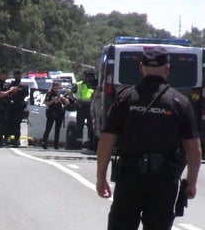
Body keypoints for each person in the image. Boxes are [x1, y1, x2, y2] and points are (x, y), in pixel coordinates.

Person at [96, 46, 202, 230]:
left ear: (141, 67)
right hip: (164, 181)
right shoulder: (179, 102)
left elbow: (106, 141)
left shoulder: (125, 98)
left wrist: (101, 177)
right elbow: (194, 150)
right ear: (167, 69)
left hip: (129, 178)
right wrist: (191, 182)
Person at [0, 69, 18, 147]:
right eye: (6, 75)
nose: (6, 77)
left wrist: (13, 91)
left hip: (7, 107)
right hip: (1, 107)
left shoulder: (5, 84)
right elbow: (0, 94)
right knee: (2, 125)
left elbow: (8, 94)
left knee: (7, 125)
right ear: (2, 74)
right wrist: (10, 91)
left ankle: (5, 140)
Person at [41, 81, 70, 149]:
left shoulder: (60, 94)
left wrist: (63, 98)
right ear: (53, 87)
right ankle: (44, 142)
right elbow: (46, 103)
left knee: (57, 129)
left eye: (58, 87)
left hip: (59, 113)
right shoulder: (49, 93)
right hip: (51, 112)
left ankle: (56, 144)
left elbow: (67, 103)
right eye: (55, 87)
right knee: (48, 128)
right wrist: (54, 100)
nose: (57, 88)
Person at [70, 70, 95, 144]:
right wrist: (75, 100)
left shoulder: (94, 84)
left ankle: (90, 141)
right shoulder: (79, 84)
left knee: (90, 125)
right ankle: (78, 142)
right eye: (88, 76)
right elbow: (69, 92)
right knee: (80, 124)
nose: (90, 78)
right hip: (81, 105)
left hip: (90, 105)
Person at [7, 70, 29, 147]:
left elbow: (26, 93)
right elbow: (8, 94)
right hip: (12, 107)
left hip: (19, 107)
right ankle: (9, 140)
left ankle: (16, 140)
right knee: (10, 124)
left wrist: (18, 90)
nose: (18, 76)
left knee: (17, 124)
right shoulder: (11, 85)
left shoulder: (23, 86)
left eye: (19, 75)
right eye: (16, 75)